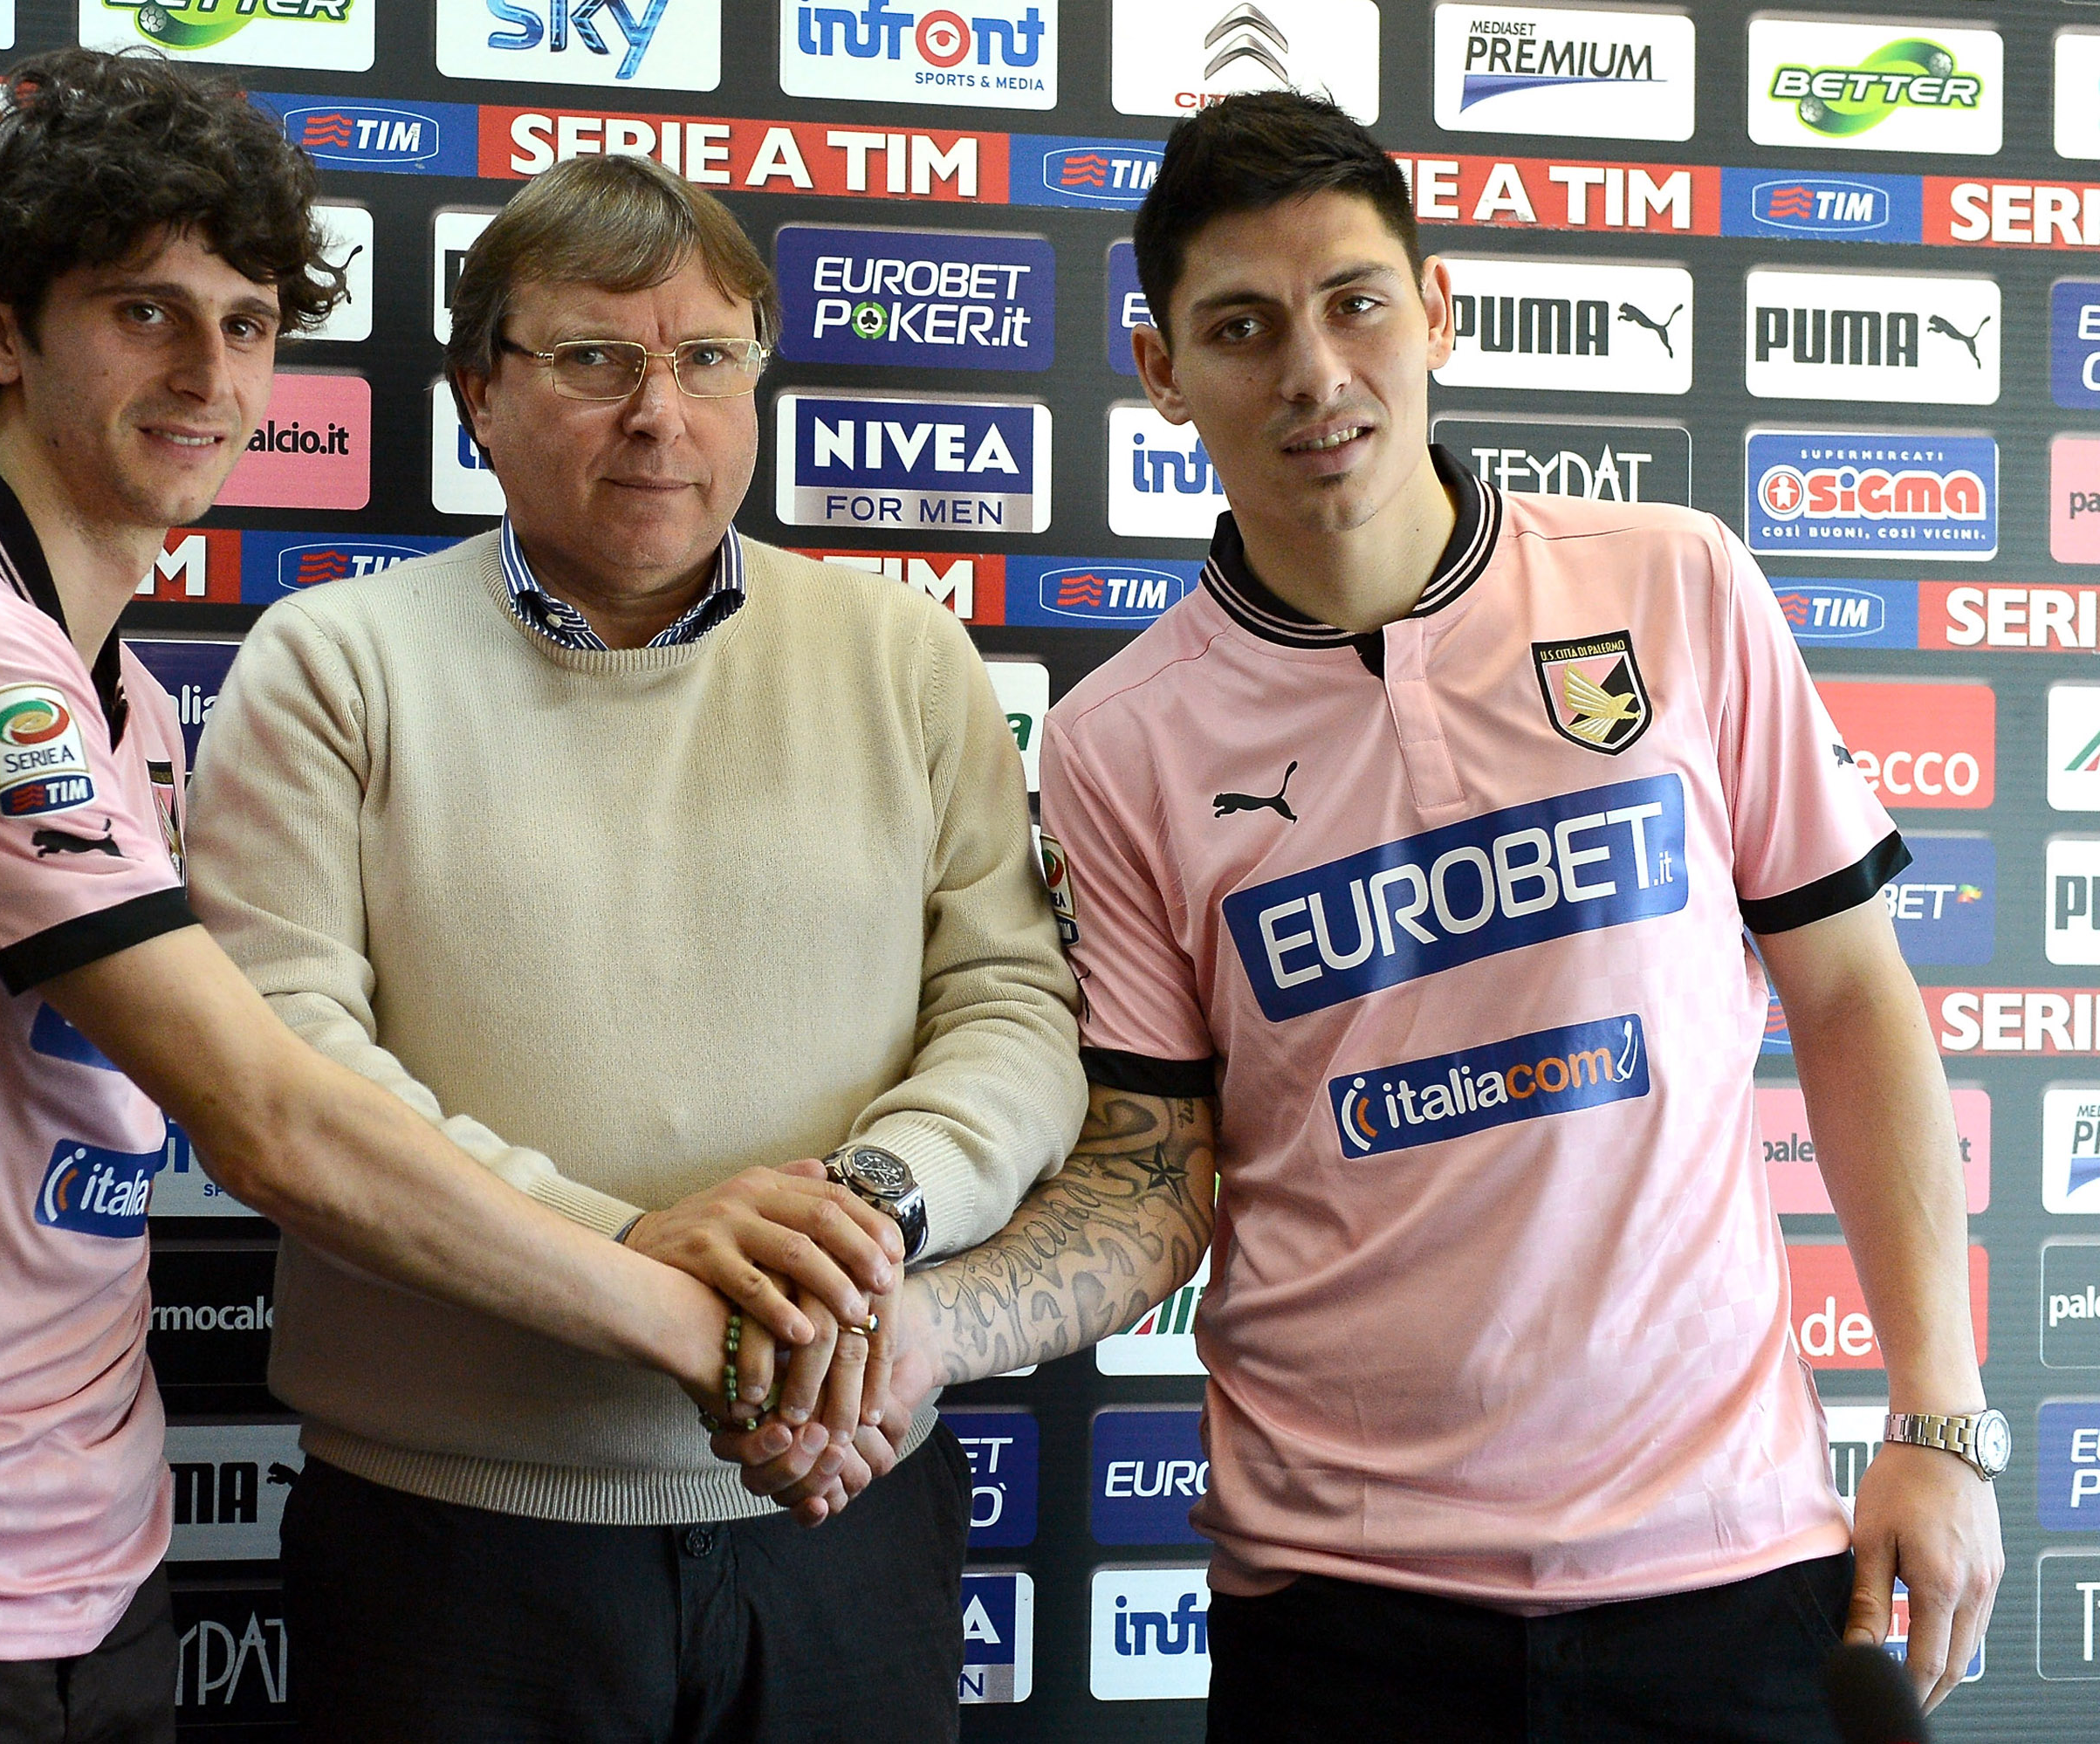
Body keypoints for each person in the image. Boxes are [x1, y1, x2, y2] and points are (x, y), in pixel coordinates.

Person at [742, 90, 2002, 1741]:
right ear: (1163, 374)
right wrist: (926, 1330)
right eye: (1243, 328)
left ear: (1437, 310)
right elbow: (1154, 1177)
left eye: (1355, 303)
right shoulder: (1123, 739)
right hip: (1343, 1612)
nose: (1315, 374)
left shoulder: (1674, 581)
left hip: (1725, 1568)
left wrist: (1943, 1415)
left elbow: (1851, 996)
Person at [0, 51, 745, 1744]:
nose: (212, 374)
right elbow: (269, 1116)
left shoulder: (109, 688)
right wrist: (681, 1310)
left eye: (251, 320)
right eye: (145, 313)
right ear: (1, 333)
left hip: (86, 1574)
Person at [180, 150, 1086, 1741]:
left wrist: (858, 1222)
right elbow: (290, 1064)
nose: (659, 411)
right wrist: (633, 1245)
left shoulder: (902, 653)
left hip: (845, 1508)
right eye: (595, 357)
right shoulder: (333, 666)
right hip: (448, 1550)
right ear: (478, 389)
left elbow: (1012, 1007)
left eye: (707, 359)